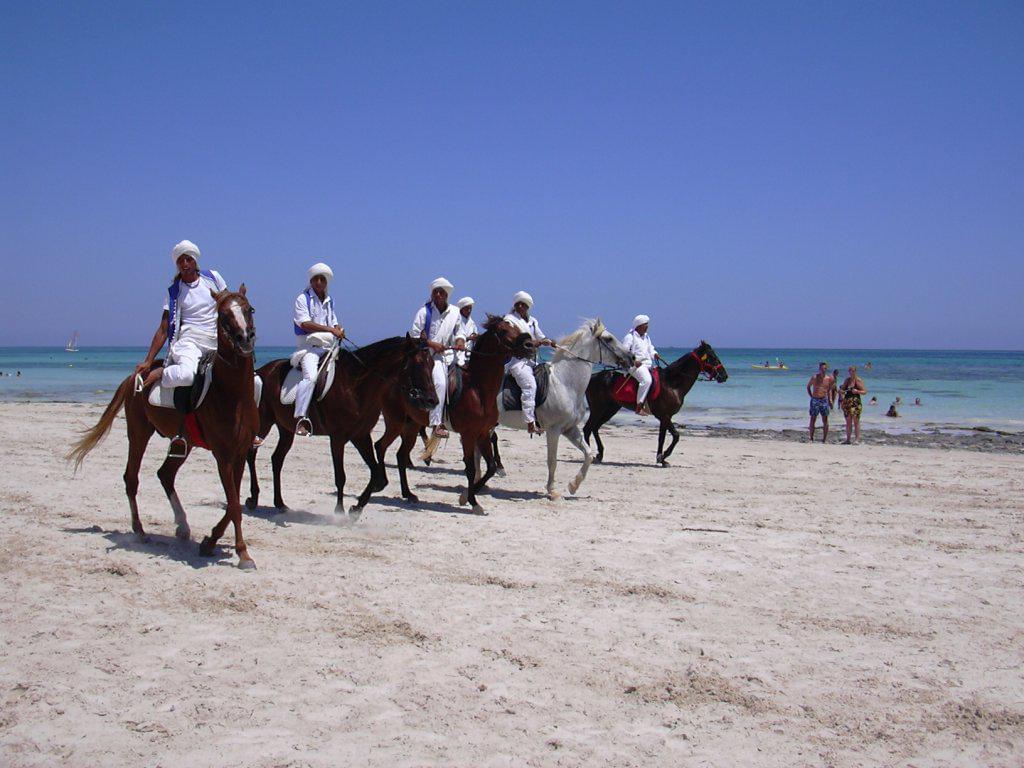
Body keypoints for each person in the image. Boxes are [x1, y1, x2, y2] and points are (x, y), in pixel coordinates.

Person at [136, 240, 228, 392]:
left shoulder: (213, 277)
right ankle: (162, 373)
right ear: (177, 265)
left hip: (216, 341)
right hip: (189, 342)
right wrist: (148, 361)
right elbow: (163, 329)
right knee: (186, 376)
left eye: (188, 259)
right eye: (180, 260)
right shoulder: (173, 293)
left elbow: (228, 305)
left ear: (195, 261)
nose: (185, 264)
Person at [292, 263, 345, 437]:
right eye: (316, 279)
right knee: (311, 378)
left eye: (323, 279)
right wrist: (331, 330)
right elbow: (304, 323)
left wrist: (339, 329)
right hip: (310, 348)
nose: (319, 282)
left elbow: (334, 321)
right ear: (312, 280)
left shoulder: (330, 301)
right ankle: (301, 417)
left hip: (328, 347)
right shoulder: (303, 298)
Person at [411, 277, 460, 438]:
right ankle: (436, 423)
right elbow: (415, 336)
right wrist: (433, 345)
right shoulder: (424, 312)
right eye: (435, 292)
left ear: (447, 295)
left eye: (441, 292)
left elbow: (460, 332)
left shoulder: (455, 312)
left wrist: (460, 341)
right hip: (430, 357)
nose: (438, 294)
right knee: (440, 382)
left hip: (451, 355)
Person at [503, 291, 555, 434]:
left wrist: (551, 342)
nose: (520, 306)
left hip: (532, 361)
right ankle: (530, 422)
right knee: (529, 385)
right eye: (518, 304)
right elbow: (517, 340)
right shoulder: (510, 320)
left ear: (527, 306)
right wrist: (536, 342)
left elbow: (541, 336)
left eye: (523, 304)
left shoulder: (533, 321)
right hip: (518, 362)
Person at [623, 315, 662, 415]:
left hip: (647, 364)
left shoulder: (646, 337)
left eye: (647, 324)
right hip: (635, 366)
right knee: (647, 380)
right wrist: (634, 360)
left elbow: (650, 349)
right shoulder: (630, 337)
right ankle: (639, 406)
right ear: (639, 325)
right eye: (645, 324)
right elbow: (624, 352)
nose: (647, 326)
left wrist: (655, 354)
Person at [806, 361, 834, 443]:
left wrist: (830, 400)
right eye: (821, 368)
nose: (823, 370)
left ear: (826, 369)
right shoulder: (814, 377)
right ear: (819, 369)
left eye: (824, 368)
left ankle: (824, 439)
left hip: (824, 399)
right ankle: (811, 438)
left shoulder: (829, 379)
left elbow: (830, 390)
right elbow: (808, 387)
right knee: (813, 418)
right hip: (815, 399)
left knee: (825, 419)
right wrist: (811, 396)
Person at [840, 366, 867, 444]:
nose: (851, 372)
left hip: (855, 402)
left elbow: (865, 391)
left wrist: (857, 391)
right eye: (850, 371)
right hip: (847, 401)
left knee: (856, 420)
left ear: (855, 372)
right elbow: (842, 389)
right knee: (848, 421)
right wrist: (841, 391)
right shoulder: (847, 380)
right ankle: (848, 439)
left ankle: (857, 439)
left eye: (853, 371)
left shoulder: (858, 380)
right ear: (848, 372)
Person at [453, 297, 478, 367]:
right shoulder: (455, 321)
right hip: (456, 353)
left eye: (470, 308)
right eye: (467, 308)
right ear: (461, 309)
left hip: (469, 355)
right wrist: (468, 338)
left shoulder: (472, 323)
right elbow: (454, 337)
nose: (469, 310)